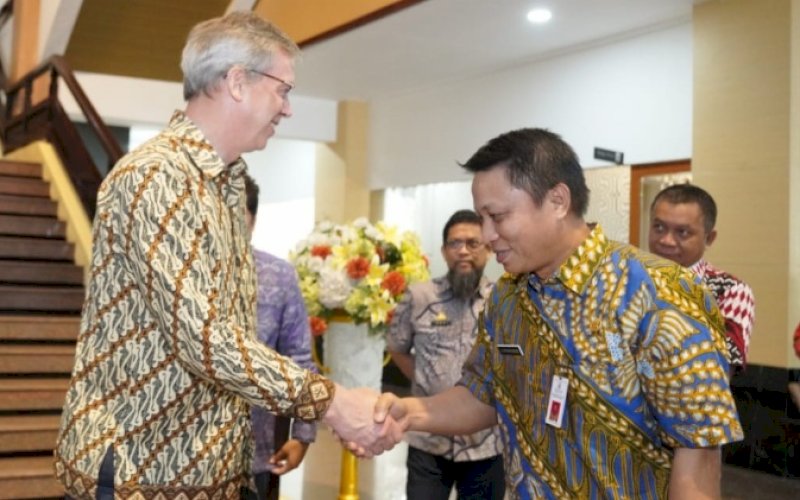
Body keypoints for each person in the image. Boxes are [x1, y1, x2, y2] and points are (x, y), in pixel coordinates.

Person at [55, 12, 398, 499]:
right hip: (142, 468)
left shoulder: (228, 184)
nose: (288, 108)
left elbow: (230, 336)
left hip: (209, 469)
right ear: (238, 81)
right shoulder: (157, 177)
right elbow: (203, 338)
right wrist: (331, 403)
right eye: (283, 89)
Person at [374, 128, 744, 499]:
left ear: (557, 201)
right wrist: (409, 412)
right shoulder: (507, 297)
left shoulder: (658, 292)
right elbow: (481, 393)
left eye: (497, 216)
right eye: (481, 218)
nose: (487, 235)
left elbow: (697, 453)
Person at [386, 209, 504, 500]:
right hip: (428, 440)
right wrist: (427, 382)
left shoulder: (503, 301)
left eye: (472, 243)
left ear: (488, 248)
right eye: (454, 244)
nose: (463, 251)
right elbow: (397, 347)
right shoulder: (419, 297)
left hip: (486, 444)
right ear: (443, 250)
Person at [243, 174, 316, 499]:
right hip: (182, 459)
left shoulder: (278, 276)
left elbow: (300, 359)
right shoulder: (180, 277)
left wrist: (302, 434)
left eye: (236, 216)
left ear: (253, 220)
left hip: (254, 453)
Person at [648, 184, 755, 373]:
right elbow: (609, 348)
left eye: (682, 232)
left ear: (709, 238)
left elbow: (718, 368)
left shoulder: (729, 290)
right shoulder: (626, 279)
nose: (666, 240)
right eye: (659, 227)